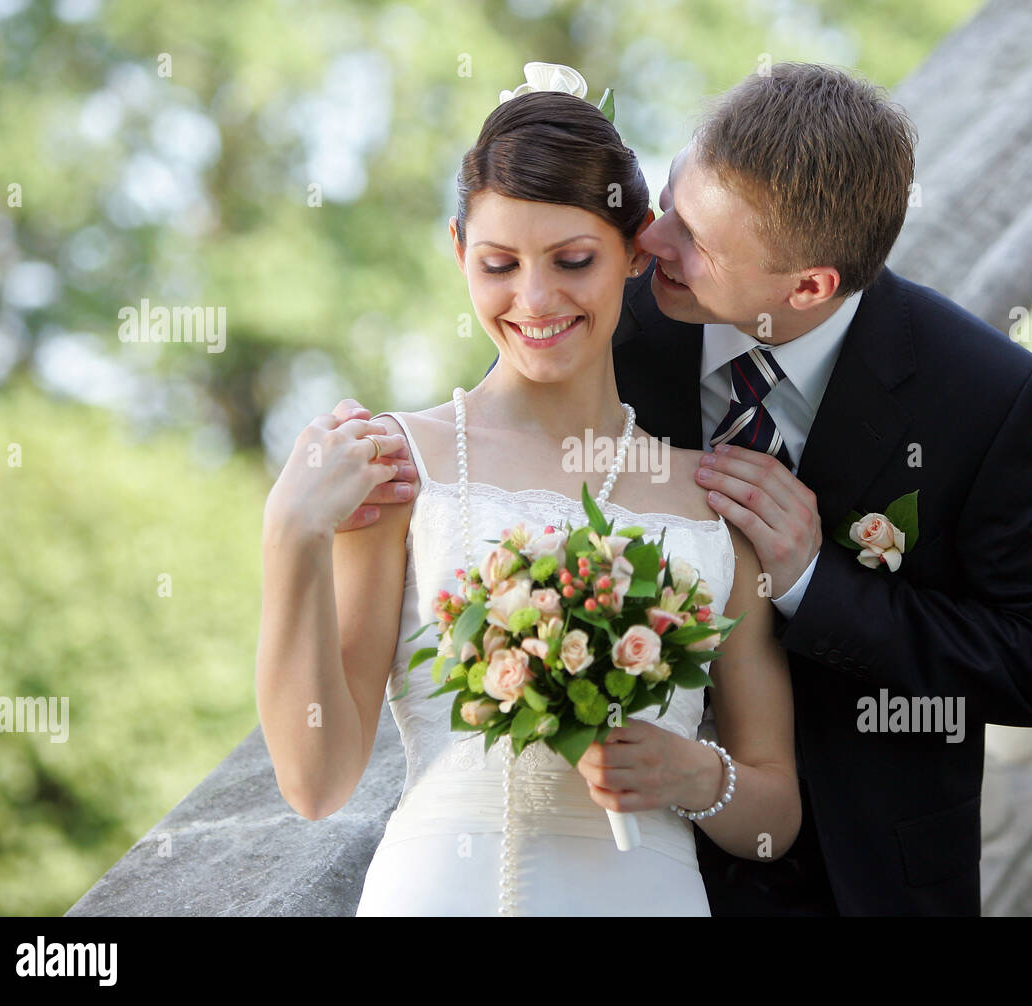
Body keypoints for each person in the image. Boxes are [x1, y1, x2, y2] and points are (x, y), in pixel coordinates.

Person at [348, 62, 1032, 916]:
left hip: (863, 873)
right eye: (673, 196)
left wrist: (816, 586)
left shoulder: (976, 392)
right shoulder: (599, 312)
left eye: (698, 243)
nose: (653, 238)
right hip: (624, 864)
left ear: (809, 286)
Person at [256, 73, 801, 916]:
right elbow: (317, 784)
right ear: (457, 249)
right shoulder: (403, 471)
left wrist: (692, 772)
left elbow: (775, 816)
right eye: (498, 265)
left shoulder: (711, 502)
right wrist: (291, 535)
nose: (535, 301)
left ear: (635, 247)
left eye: (574, 261)